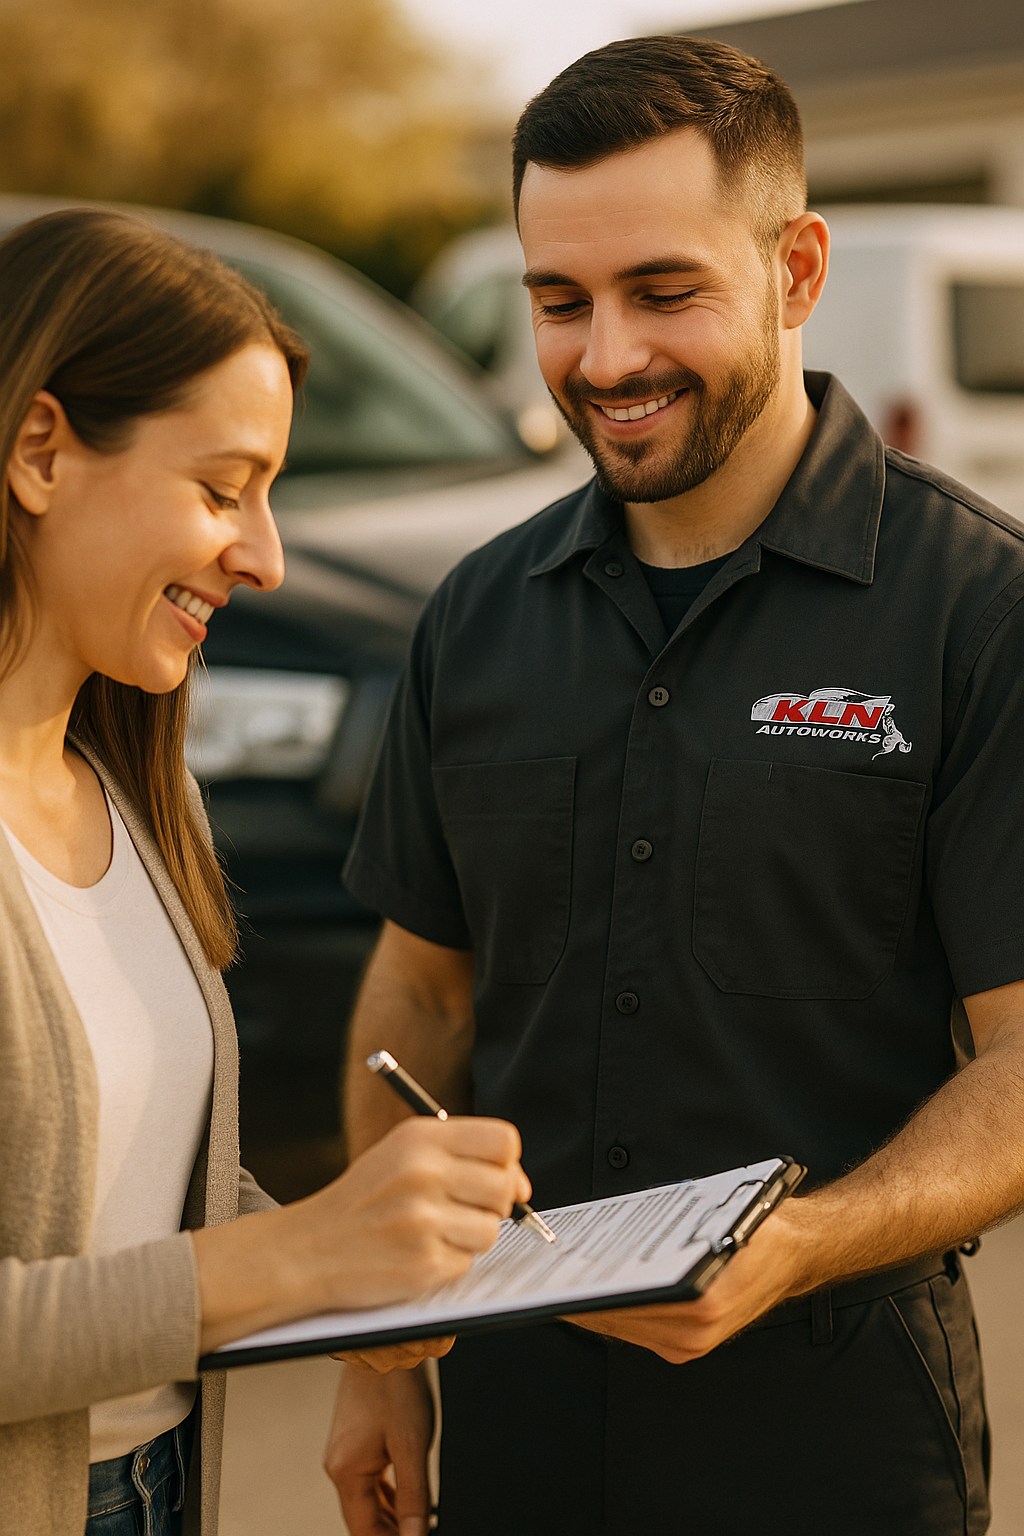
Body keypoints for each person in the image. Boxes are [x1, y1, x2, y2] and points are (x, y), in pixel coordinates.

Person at [324, 34, 1024, 1536]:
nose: (605, 359)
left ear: (797, 269)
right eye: (559, 302)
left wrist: (804, 1243)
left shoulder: (979, 611)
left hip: (840, 1436)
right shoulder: (475, 614)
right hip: (516, 1420)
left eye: (663, 291)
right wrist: (381, 1347)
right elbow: (422, 1000)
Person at [0, 208, 531, 1536]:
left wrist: (370, 1258)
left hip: (157, 1488)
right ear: (40, 451)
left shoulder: (141, 789)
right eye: (222, 488)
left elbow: (138, 1196)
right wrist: (297, 1255)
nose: (267, 556)